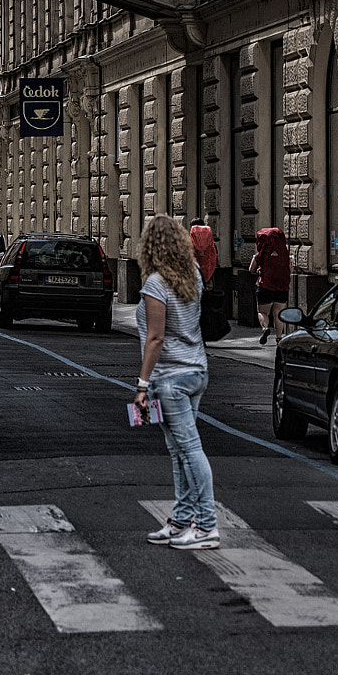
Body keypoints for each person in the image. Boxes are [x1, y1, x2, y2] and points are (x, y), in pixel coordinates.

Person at [134, 214, 219, 552]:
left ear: (151, 247)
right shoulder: (193, 276)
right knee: (179, 450)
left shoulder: (156, 284)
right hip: (196, 370)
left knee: (189, 450)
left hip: (170, 378)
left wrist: (142, 385)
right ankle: (182, 520)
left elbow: (155, 338)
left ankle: (207, 526)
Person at [249, 226, 291, 346]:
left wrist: (258, 270)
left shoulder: (259, 254)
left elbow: (251, 270)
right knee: (278, 313)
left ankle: (265, 328)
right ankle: (279, 338)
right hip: (282, 286)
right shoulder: (285, 254)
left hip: (265, 285)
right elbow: (290, 269)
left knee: (262, 312)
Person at [189, 220, 217, 287]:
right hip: (208, 275)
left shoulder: (189, 243)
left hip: (193, 277)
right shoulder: (210, 243)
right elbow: (215, 258)